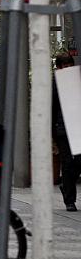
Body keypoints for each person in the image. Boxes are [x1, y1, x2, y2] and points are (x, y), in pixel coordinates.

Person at [53, 52, 80, 211]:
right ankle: (69, 200)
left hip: (77, 126)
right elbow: (52, 107)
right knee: (68, 163)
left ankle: (66, 185)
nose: (68, 68)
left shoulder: (77, 80)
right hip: (62, 129)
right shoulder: (55, 83)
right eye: (65, 65)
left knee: (78, 162)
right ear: (59, 67)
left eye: (70, 65)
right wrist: (52, 133)